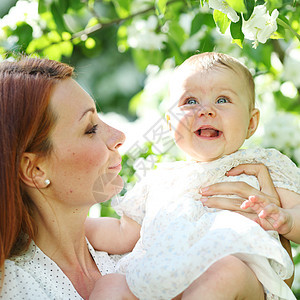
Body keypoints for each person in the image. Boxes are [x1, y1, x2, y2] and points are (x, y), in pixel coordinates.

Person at [86, 52, 300, 300]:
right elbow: (123, 232)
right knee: (111, 285)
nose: (206, 110)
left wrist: (288, 221)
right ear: (169, 123)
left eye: (222, 99)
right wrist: (62, 224)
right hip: (166, 280)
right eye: (190, 101)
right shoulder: (159, 180)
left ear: (251, 123)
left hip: (242, 280)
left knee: (225, 272)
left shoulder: (264, 164)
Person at [0, 56, 138, 299]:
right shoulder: (14, 287)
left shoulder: (133, 252)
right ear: (35, 170)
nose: (119, 135)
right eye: (90, 129)